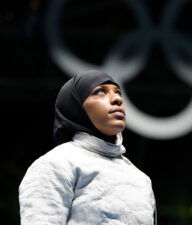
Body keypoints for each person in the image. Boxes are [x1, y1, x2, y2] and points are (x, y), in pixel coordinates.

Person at [19, 70, 156, 225]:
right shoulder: (56, 164)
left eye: (118, 92)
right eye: (100, 92)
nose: (117, 99)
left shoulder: (141, 179)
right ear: (76, 106)